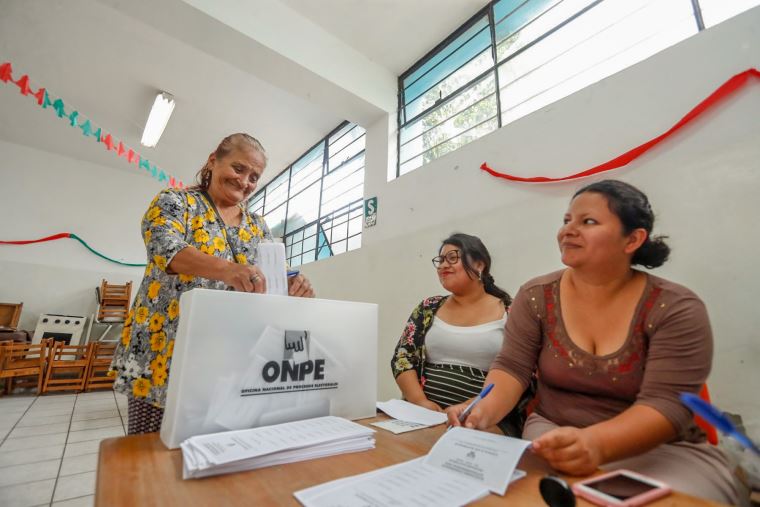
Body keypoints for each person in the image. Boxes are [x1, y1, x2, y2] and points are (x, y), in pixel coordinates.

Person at [447, 180, 738, 503]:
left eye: (588, 222)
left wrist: (596, 444)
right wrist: (482, 411)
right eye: (567, 220)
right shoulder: (536, 297)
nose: (568, 230)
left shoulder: (674, 307)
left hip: (662, 453)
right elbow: (512, 368)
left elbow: (667, 405)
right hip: (553, 439)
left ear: (633, 239)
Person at [111, 133, 314, 435]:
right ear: (213, 161)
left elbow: (276, 272)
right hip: (163, 348)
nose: (245, 181)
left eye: (254, 176)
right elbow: (164, 248)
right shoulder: (176, 201)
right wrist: (230, 270)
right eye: (239, 168)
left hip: (225, 358)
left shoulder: (257, 224)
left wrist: (297, 283)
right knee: (149, 455)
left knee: (212, 451)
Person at [391, 233, 534, 436]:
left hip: (485, 419)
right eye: (440, 260)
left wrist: (468, 408)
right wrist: (421, 402)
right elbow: (402, 357)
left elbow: (523, 371)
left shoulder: (510, 312)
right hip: (423, 416)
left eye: (452, 258)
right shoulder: (428, 308)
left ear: (479, 265)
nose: (442, 266)